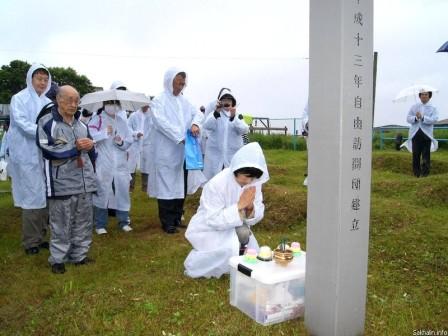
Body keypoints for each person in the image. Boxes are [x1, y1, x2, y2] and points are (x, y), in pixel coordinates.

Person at [184, 142, 269, 278]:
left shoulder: (254, 183)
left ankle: (236, 259)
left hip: (236, 225)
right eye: (246, 176)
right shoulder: (217, 184)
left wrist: (250, 208)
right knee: (228, 249)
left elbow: (257, 213)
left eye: (253, 178)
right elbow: (212, 219)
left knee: (252, 251)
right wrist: (239, 206)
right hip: (209, 227)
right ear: (237, 169)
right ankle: (204, 264)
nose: (249, 181)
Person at [36, 85, 97, 274]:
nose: (73, 104)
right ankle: (58, 259)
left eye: (76, 100)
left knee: (84, 221)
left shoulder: (82, 125)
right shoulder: (47, 123)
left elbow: (91, 153)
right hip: (61, 183)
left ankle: (79, 255)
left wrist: (90, 146)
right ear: (58, 100)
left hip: (84, 182)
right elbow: (48, 150)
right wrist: (76, 147)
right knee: (61, 222)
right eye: (69, 100)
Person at [147, 67, 203, 234]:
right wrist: (180, 136)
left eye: (183, 82)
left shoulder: (184, 101)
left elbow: (197, 114)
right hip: (166, 151)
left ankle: (178, 217)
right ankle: (167, 221)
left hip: (183, 152)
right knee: (166, 186)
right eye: (179, 80)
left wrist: (195, 124)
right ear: (169, 80)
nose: (181, 84)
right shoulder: (159, 100)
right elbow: (160, 122)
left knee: (181, 185)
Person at [8, 63, 51, 255]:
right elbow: (22, 123)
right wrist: (44, 133)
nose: (42, 82)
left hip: (42, 156)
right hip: (26, 156)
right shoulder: (19, 99)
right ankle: (30, 242)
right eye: (38, 78)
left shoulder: (46, 102)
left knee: (44, 195)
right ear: (30, 79)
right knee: (31, 197)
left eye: (45, 79)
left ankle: (40, 236)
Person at [88, 98, 134, 234]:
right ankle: (100, 224)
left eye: (115, 103)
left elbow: (129, 141)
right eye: (109, 103)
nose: (112, 106)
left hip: (120, 164)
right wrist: (103, 133)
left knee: (123, 191)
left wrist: (120, 142)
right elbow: (89, 137)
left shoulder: (121, 122)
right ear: (104, 104)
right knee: (102, 191)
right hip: (104, 162)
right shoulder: (97, 119)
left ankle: (124, 221)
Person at [202, 88, 249, 180]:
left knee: (231, 180)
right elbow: (207, 126)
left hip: (232, 155)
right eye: (224, 100)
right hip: (215, 155)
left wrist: (233, 118)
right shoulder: (215, 114)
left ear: (233, 102)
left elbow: (244, 129)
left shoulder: (238, 116)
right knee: (215, 181)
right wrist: (216, 112)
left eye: (229, 100)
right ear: (220, 102)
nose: (227, 103)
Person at [402, 90, 439, 177]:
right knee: (416, 155)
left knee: (426, 154)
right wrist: (415, 117)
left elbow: (434, 119)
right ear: (419, 96)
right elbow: (408, 118)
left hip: (426, 134)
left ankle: (425, 173)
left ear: (429, 96)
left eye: (426, 95)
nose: (424, 96)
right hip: (415, 133)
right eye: (422, 95)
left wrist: (422, 117)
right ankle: (416, 173)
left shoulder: (433, 107)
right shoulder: (414, 106)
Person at [127, 105, 149, 192]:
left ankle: (145, 188)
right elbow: (128, 128)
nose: (147, 108)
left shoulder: (151, 116)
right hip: (135, 143)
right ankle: (130, 187)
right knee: (131, 166)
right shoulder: (133, 115)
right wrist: (136, 133)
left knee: (146, 166)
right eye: (145, 106)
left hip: (147, 144)